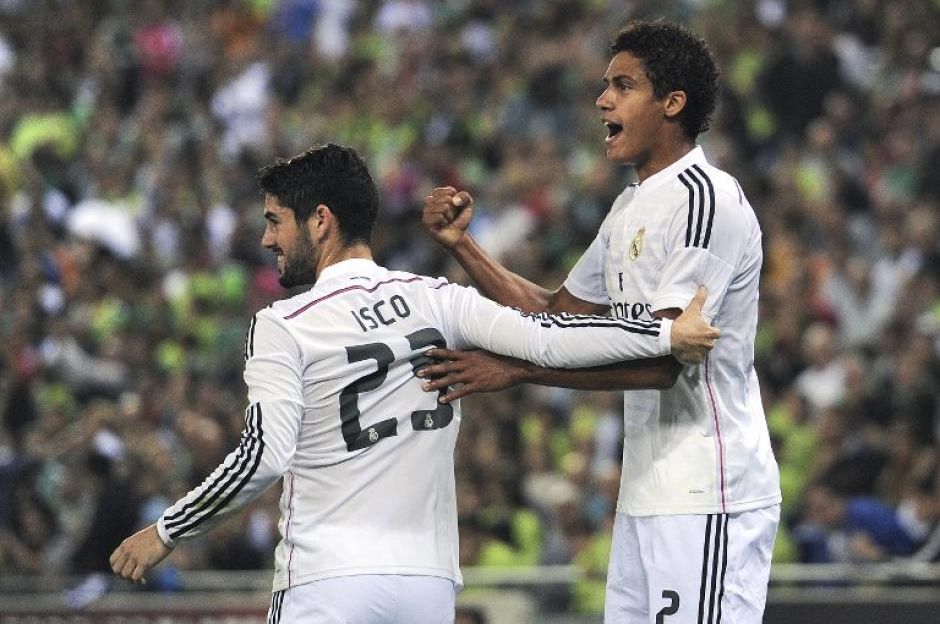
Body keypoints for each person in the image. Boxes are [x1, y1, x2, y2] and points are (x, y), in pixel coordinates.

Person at [108, 143, 720, 623]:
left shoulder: (283, 324)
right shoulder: (436, 300)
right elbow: (549, 336)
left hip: (327, 583)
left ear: (320, 221)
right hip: (427, 588)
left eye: (276, 221)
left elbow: (264, 456)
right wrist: (666, 336)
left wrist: (167, 531)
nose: (267, 238)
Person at [422, 20, 781, 623]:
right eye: (604, 85)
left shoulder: (704, 198)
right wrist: (464, 247)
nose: (602, 101)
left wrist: (516, 368)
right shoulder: (629, 207)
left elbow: (663, 358)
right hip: (648, 492)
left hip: (709, 491)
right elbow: (552, 313)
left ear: (673, 103)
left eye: (623, 85)